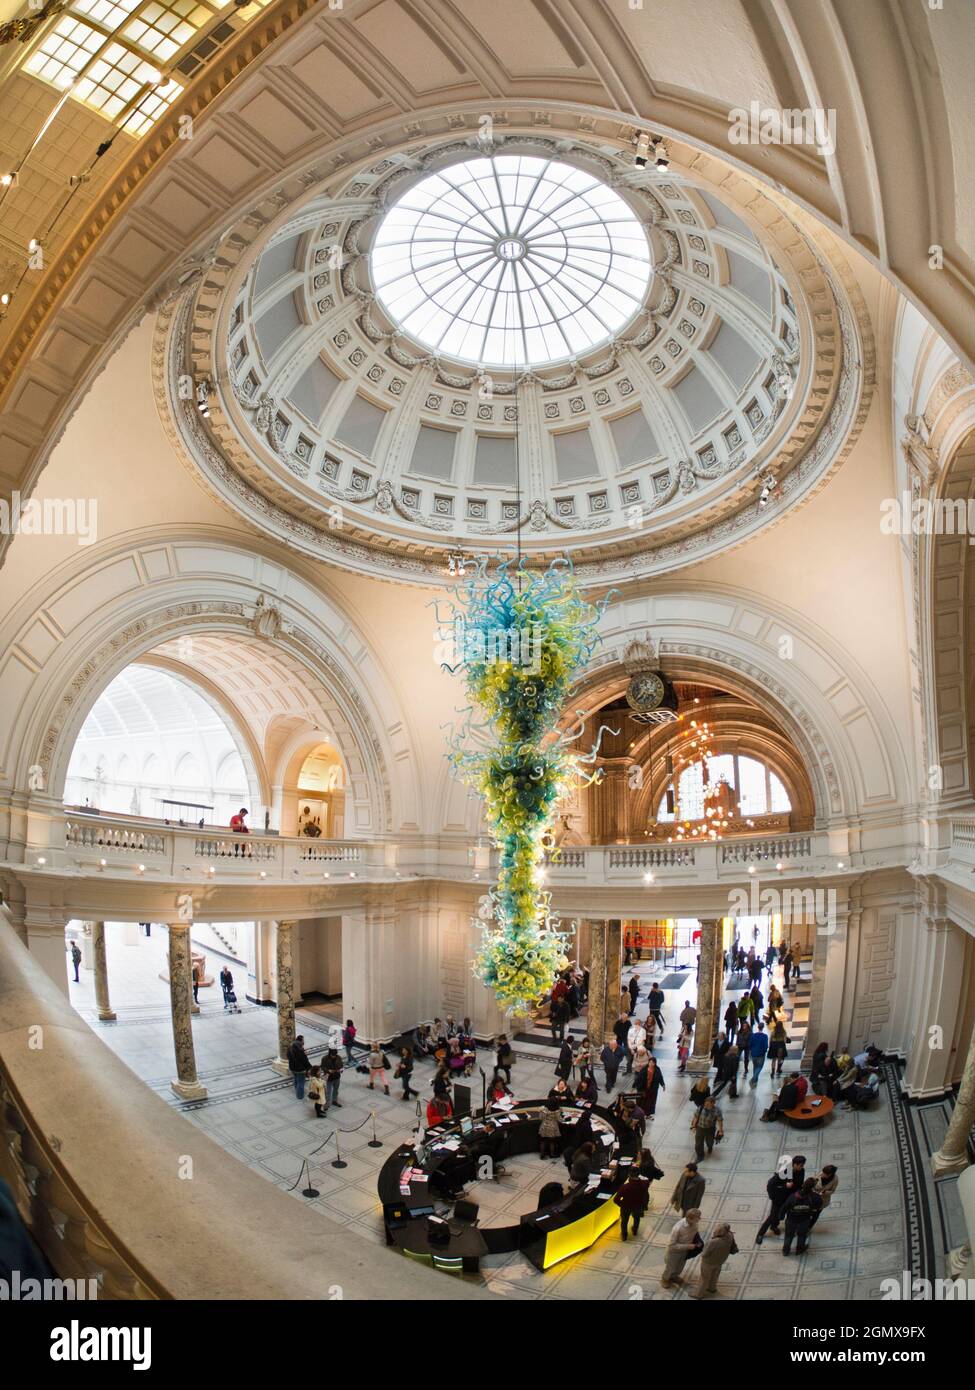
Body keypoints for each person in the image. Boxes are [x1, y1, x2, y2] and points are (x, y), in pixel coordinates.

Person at [690, 1223, 738, 1298]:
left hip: (708, 1263)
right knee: (715, 1275)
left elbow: (705, 1253)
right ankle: (712, 1288)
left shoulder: (713, 1242)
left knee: (704, 1278)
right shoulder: (730, 1236)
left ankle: (699, 1294)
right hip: (720, 1261)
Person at [661, 1208, 703, 1289]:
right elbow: (672, 1245)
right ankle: (665, 1279)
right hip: (674, 1253)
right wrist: (689, 1246)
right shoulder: (678, 1228)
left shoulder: (695, 1224)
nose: (699, 1219)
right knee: (671, 1267)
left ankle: (674, 1277)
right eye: (697, 1218)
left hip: (684, 1252)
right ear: (689, 1218)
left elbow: (695, 1234)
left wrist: (698, 1241)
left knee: (680, 1266)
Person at [782, 1178, 822, 1255]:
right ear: (813, 1188)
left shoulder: (793, 1196)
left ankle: (786, 1251)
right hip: (804, 1221)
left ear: (803, 1185)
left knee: (788, 1235)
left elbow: (784, 1207)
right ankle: (799, 1250)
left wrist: (781, 1216)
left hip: (791, 1220)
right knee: (802, 1235)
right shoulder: (815, 1197)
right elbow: (818, 1206)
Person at [755, 1166, 792, 1243]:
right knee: (771, 1217)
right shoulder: (774, 1181)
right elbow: (771, 1189)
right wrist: (785, 1186)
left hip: (785, 1200)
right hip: (777, 1202)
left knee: (780, 1215)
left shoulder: (789, 1177)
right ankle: (760, 1234)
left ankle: (774, 1226)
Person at [614, 1172, 650, 1241]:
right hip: (638, 1206)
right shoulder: (644, 1184)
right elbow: (647, 1185)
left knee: (624, 1221)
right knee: (637, 1218)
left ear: (629, 1175)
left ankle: (624, 1235)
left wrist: (622, 1205)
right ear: (638, 1174)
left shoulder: (625, 1187)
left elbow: (616, 1200)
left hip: (626, 1207)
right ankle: (635, 1230)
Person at [287, 1034, 311, 1099]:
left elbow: (288, 1057)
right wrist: (309, 1068)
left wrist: (303, 1052)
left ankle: (296, 1090)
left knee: (296, 1079)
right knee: (301, 1082)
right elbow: (304, 1061)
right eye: (303, 1040)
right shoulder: (300, 1051)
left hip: (292, 1067)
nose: (304, 1042)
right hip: (300, 1069)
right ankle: (300, 1095)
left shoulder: (291, 1048)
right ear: (301, 1041)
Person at [749, 1021, 769, 1085]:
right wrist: (765, 1051)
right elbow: (765, 1045)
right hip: (761, 1054)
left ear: (758, 1027)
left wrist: (751, 1051)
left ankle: (755, 1081)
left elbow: (750, 1044)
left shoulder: (753, 1035)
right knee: (760, 1066)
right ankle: (754, 1078)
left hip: (753, 1053)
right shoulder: (765, 1036)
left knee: (755, 1066)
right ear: (763, 1027)